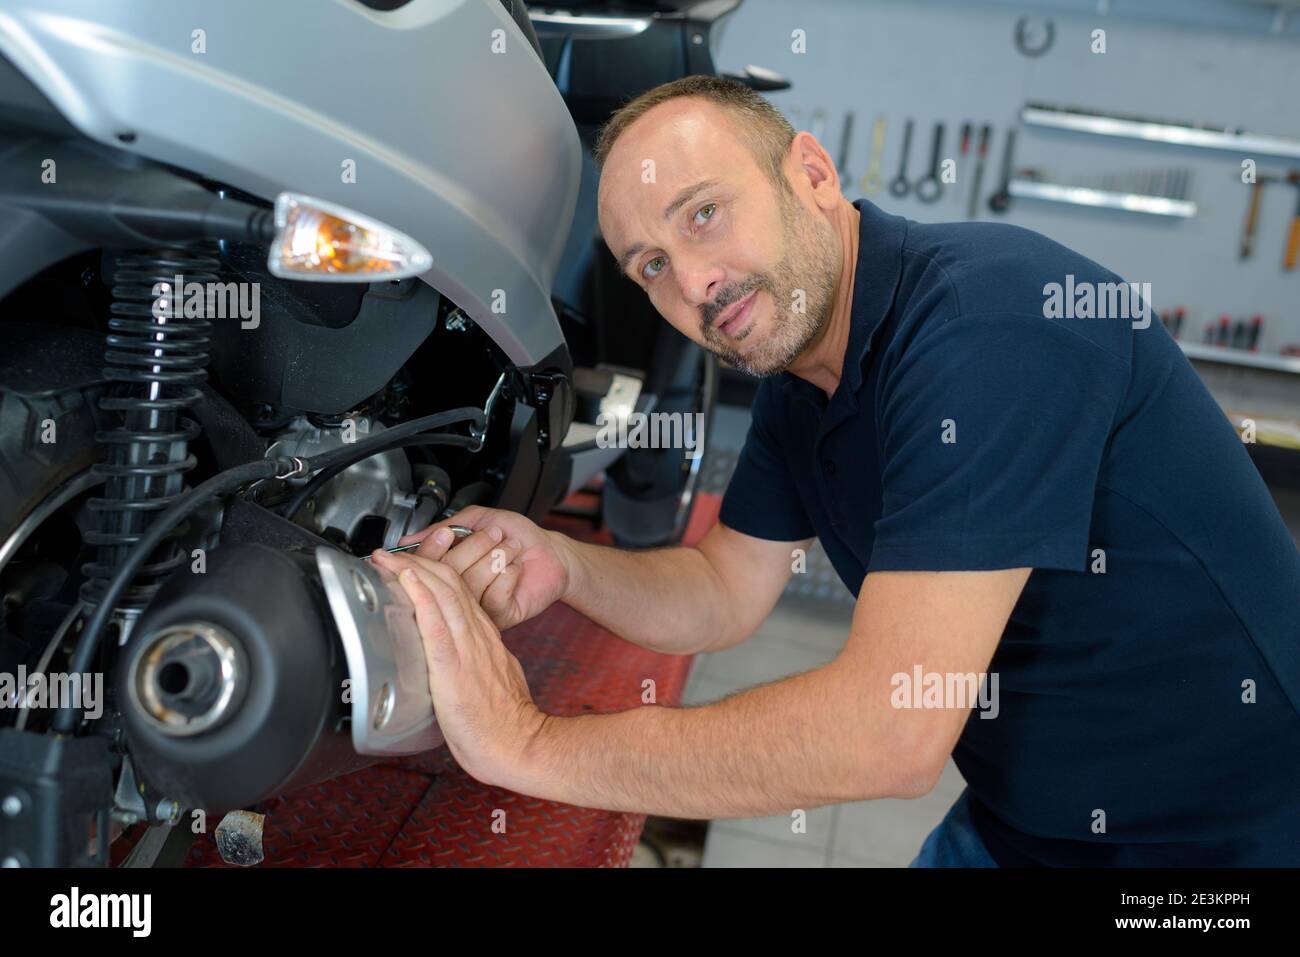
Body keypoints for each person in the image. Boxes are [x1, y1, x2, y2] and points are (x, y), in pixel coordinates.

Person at [371, 76, 1300, 866]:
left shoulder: (993, 326)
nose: (692, 284)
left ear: (811, 174)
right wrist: (563, 565)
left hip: (1225, 845)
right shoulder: (801, 379)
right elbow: (721, 587)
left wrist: (528, 745)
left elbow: (888, 730)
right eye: (651, 263)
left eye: (704, 213)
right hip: (1029, 825)